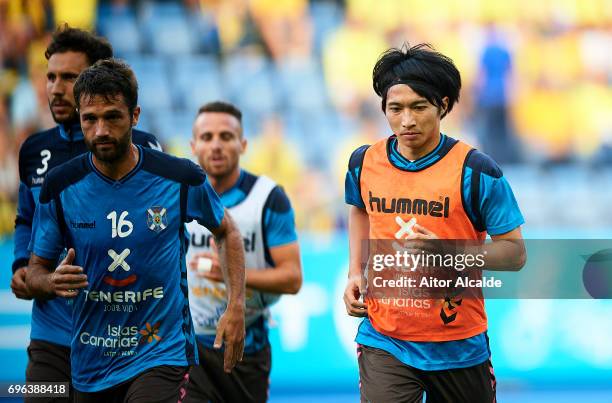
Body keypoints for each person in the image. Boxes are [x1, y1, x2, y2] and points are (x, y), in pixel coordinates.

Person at [25, 59, 246, 402]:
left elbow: (226, 230)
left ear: (135, 115)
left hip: (160, 352)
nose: (100, 130)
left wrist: (237, 306)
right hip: (91, 360)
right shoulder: (60, 185)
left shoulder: (179, 177)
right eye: (90, 119)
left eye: (112, 116)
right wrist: (50, 282)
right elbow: (35, 271)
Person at [343, 44, 526, 403]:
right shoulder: (364, 162)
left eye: (419, 107)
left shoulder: (477, 171)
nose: (406, 120)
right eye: (395, 109)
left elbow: (514, 253)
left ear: (443, 105)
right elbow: (360, 208)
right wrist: (355, 271)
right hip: (385, 338)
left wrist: (447, 252)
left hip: (459, 342)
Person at [10, 25, 161, 402]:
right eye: (50, 77)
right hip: (52, 337)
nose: (56, 89)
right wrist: (20, 266)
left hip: (117, 336)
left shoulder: (141, 148)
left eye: (69, 78)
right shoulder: (34, 151)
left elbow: (161, 226)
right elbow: (25, 217)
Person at [184, 101, 302, 403]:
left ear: (243, 144)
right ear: (193, 145)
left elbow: (292, 278)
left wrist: (231, 275)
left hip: (246, 346)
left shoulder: (268, 198)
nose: (216, 146)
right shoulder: (177, 194)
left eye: (226, 136)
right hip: (186, 347)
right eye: (207, 137)